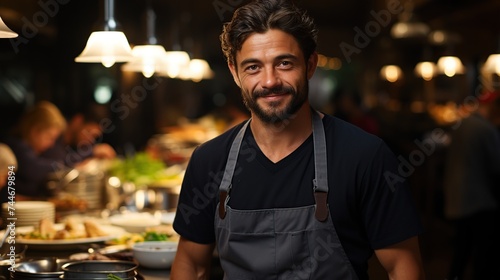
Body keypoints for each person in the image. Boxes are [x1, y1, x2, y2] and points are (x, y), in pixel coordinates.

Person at [171, 0, 425, 279]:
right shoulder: (209, 161)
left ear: (310, 64)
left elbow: (403, 267)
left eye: (284, 63)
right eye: (253, 67)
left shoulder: (365, 156)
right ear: (235, 73)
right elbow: (191, 265)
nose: (270, 81)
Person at [442, 91, 500, 280]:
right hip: (478, 201)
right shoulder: (486, 129)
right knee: (483, 254)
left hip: (456, 197)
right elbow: (497, 166)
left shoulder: (462, 124)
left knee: (461, 251)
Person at [1, 101, 66, 199]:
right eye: (49, 137)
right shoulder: (15, 147)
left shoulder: (31, 149)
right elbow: (33, 169)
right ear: (35, 131)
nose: (52, 144)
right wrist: (64, 165)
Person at [41, 111, 116, 169]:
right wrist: (93, 151)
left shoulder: (76, 143)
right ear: (78, 121)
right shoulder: (55, 133)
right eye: (89, 133)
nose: (90, 140)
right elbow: (62, 162)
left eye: (94, 137)